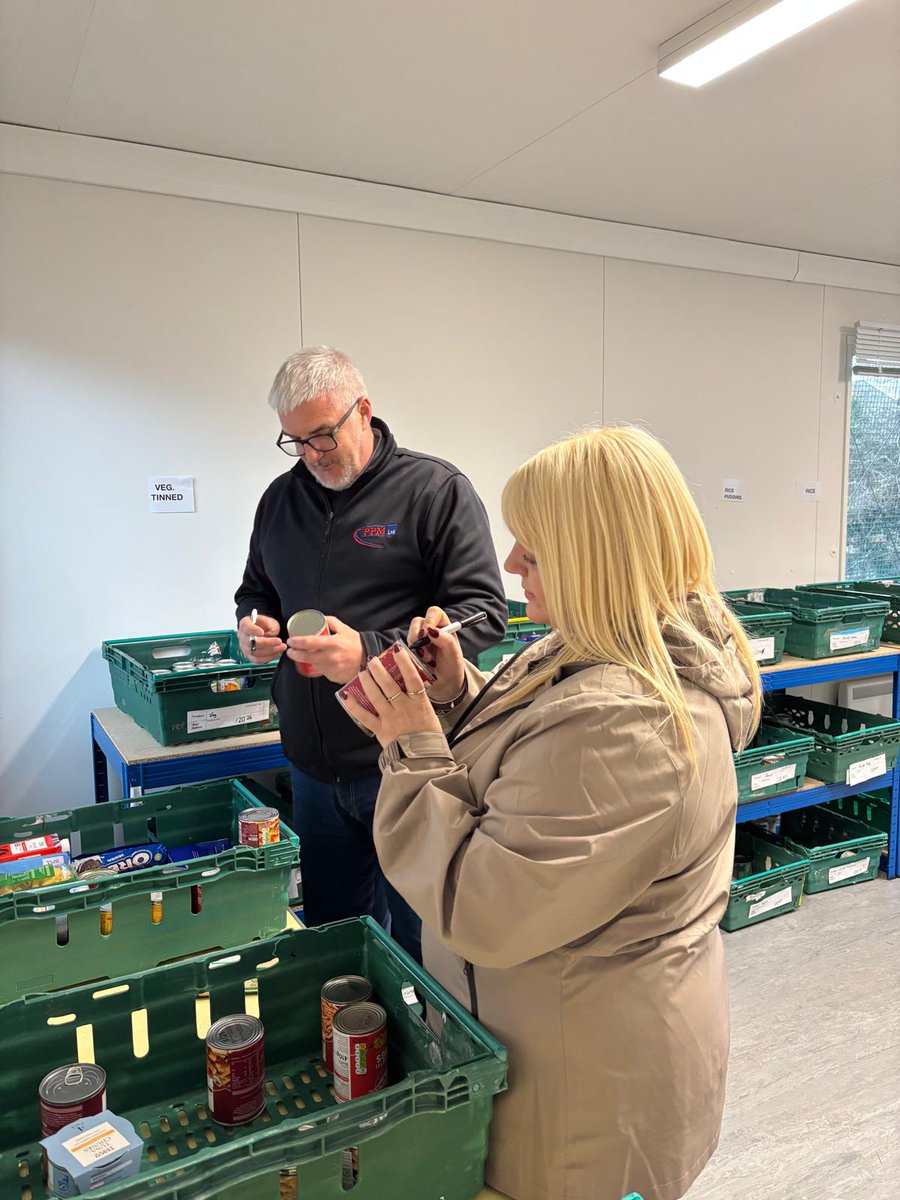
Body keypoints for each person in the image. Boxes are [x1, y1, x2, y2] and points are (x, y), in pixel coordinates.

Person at [341, 426, 763, 1200]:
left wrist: (409, 746)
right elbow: (535, 765)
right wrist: (454, 694)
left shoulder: (631, 721)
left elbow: (485, 908)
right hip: (567, 1044)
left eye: (532, 549)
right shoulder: (597, 651)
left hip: (584, 1099)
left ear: (596, 557)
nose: (509, 566)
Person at [234, 346, 506, 964]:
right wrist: (252, 628)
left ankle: (431, 1053)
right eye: (295, 441)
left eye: (324, 435)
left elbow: (484, 614)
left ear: (365, 411)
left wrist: (370, 653)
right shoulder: (279, 501)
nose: (312, 455)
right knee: (337, 942)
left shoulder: (435, 490)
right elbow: (254, 592)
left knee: (422, 943)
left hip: (404, 765)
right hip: (312, 764)